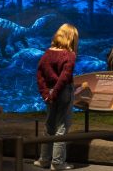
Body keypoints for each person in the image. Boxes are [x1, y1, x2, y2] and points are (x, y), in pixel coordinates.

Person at [34, 23, 78, 171]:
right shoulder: (70, 55)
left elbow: (39, 75)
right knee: (62, 127)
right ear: (71, 37)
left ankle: (44, 160)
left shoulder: (47, 53)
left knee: (49, 126)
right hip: (63, 92)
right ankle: (57, 163)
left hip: (51, 93)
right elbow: (64, 77)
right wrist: (55, 93)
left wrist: (46, 94)